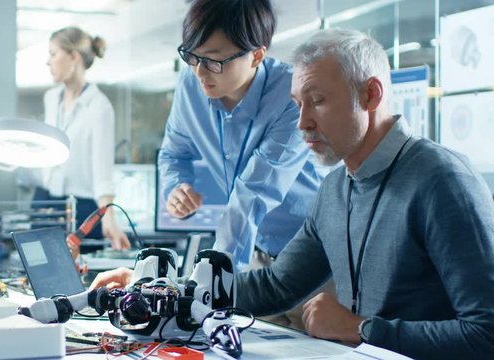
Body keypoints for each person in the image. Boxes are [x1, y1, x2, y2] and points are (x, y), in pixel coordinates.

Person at [90, 28, 494, 359]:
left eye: (317, 101)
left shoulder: (442, 181)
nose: (302, 123)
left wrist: (360, 329)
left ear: (370, 95)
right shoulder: (337, 187)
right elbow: (276, 286)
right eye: (298, 104)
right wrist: (168, 289)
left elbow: (486, 334)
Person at [160, 0, 322, 271]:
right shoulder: (190, 86)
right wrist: (177, 186)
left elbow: (255, 191)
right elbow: (174, 153)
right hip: (255, 252)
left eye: (213, 60)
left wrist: (214, 271)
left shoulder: (292, 94)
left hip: (309, 258)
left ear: (256, 56)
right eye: (192, 56)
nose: (199, 71)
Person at [36, 27, 130, 251]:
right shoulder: (51, 99)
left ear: (73, 57)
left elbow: (102, 171)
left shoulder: (99, 106)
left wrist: (108, 217)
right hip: (47, 203)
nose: (47, 62)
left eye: (53, 54)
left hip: (82, 210)